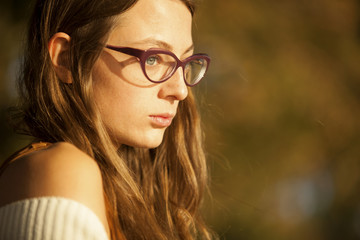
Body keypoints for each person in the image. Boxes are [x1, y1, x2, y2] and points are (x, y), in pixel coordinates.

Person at [0, 0, 212, 239]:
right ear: (66, 58)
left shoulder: (126, 195)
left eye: (185, 62)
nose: (180, 90)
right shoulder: (60, 170)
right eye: (153, 59)